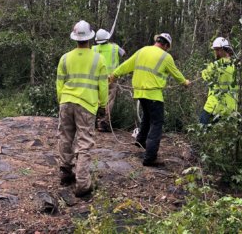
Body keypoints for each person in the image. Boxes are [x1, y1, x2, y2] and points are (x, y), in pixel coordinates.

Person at [110, 33, 190, 167]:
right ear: (166, 45)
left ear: (157, 41)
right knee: (157, 123)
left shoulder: (142, 51)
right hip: (154, 95)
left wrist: (114, 74)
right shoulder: (166, 57)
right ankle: (150, 157)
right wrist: (185, 82)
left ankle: (141, 140)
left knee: (147, 116)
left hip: (140, 93)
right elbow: (176, 74)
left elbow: (127, 65)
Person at [56, 20, 108, 198]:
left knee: (65, 137)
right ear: (90, 37)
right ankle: (83, 183)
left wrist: (62, 101)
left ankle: (65, 173)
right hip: (87, 104)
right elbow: (103, 85)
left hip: (66, 102)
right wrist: (103, 105)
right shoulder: (98, 59)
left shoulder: (65, 58)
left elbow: (59, 83)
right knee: (84, 142)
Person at [199, 37, 242, 125]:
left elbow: (205, 76)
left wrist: (203, 71)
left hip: (213, 107)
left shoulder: (215, 65)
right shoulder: (239, 66)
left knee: (202, 131)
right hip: (230, 110)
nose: (215, 53)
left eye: (215, 50)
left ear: (220, 50)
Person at [93, 28, 126, 132]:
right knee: (109, 100)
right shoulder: (115, 48)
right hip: (111, 78)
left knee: (96, 98)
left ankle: (94, 120)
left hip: (97, 78)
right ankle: (104, 123)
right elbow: (123, 53)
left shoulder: (93, 49)